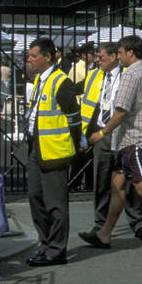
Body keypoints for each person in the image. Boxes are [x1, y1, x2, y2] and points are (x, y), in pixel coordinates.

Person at [83, 34, 142, 253]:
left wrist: (102, 132)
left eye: (120, 52)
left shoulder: (130, 75)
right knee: (118, 185)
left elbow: (121, 110)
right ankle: (104, 234)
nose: (118, 56)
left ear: (130, 52)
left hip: (131, 140)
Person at [80, 43, 142, 242]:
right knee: (101, 181)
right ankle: (100, 224)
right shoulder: (94, 75)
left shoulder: (128, 75)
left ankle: (137, 222)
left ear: (113, 57)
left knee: (129, 179)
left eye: (101, 57)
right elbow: (86, 101)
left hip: (123, 133)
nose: (97, 60)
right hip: (101, 133)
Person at [23, 37, 83, 267]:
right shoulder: (39, 79)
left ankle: (56, 251)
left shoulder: (61, 82)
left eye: (34, 56)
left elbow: (74, 118)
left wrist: (75, 146)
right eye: (29, 55)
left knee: (55, 204)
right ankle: (46, 243)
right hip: (37, 149)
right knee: (35, 197)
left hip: (55, 152)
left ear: (48, 57)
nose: (30, 59)